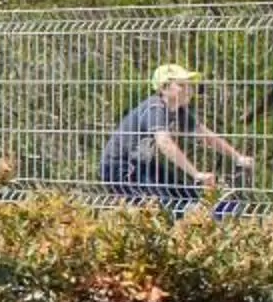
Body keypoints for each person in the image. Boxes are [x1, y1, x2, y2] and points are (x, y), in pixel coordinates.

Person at [100, 63, 254, 212]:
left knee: (186, 194)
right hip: (121, 168)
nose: (189, 90)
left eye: (190, 85)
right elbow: (165, 143)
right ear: (164, 88)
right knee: (162, 205)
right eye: (182, 85)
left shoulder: (180, 111)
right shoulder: (155, 109)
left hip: (143, 165)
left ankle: (208, 214)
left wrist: (237, 157)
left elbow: (207, 136)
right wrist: (196, 174)